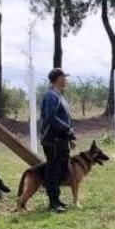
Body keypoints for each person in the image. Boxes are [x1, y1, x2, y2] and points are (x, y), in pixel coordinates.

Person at [40, 68, 76, 213]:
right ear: (58, 79)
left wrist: (69, 136)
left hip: (61, 138)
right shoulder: (51, 96)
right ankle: (53, 202)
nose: (66, 80)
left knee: (61, 169)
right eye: (64, 77)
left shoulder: (59, 95)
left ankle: (57, 199)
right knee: (53, 170)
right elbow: (50, 118)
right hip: (52, 139)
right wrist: (67, 129)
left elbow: (63, 118)